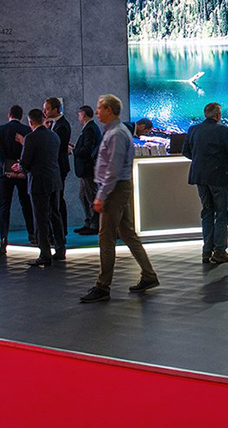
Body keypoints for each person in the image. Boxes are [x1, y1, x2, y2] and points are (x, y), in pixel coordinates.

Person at [80, 94, 158, 303]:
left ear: (109, 110)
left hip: (114, 190)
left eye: (100, 108)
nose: (97, 112)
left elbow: (112, 169)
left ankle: (102, 286)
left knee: (106, 237)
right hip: (118, 188)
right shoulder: (117, 131)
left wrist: (101, 195)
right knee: (127, 233)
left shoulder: (116, 134)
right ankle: (149, 275)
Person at [183, 102, 228, 264]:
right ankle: (220, 251)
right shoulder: (223, 130)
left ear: (205, 114)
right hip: (219, 177)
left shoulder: (193, 130)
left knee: (207, 212)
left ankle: (206, 251)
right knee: (221, 213)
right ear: (218, 116)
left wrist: (199, 160)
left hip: (200, 177)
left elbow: (185, 151)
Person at [18, 109, 65, 266]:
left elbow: (25, 162)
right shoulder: (54, 136)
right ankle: (60, 249)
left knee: (40, 218)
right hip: (54, 180)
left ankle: (45, 254)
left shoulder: (30, 138)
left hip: (38, 182)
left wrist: (20, 168)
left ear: (30, 121)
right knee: (55, 215)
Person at [0, 105, 33, 253]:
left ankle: (4, 237)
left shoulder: (1, 129)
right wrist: (20, 166)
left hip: (5, 173)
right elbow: (27, 152)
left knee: (4, 205)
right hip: (22, 171)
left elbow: (0, 154)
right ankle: (32, 234)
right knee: (26, 203)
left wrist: (8, 168)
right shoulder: (27, 130)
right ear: (21, 116)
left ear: (9, 114)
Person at [43, 97, 71, 239]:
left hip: (59, 166)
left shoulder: (62, 125)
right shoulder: (54, 124)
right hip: (55, 166)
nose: (45, 112)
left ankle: (61, 231)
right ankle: (57, 231)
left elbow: (56, 147)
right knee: (55, 200)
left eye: (47, 109)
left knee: (57, 200)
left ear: (55, 109)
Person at [73, 105, 103, 235]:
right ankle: (89, 222)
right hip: (85, 170)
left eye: (79, 114)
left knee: (91, 196)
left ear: (83, 114)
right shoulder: (89, 128)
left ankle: (95, 225)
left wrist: (73, 150)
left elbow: (87, 150)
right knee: (83, 196)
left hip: (88, 169)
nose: (78, 117)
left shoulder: (90, 128)